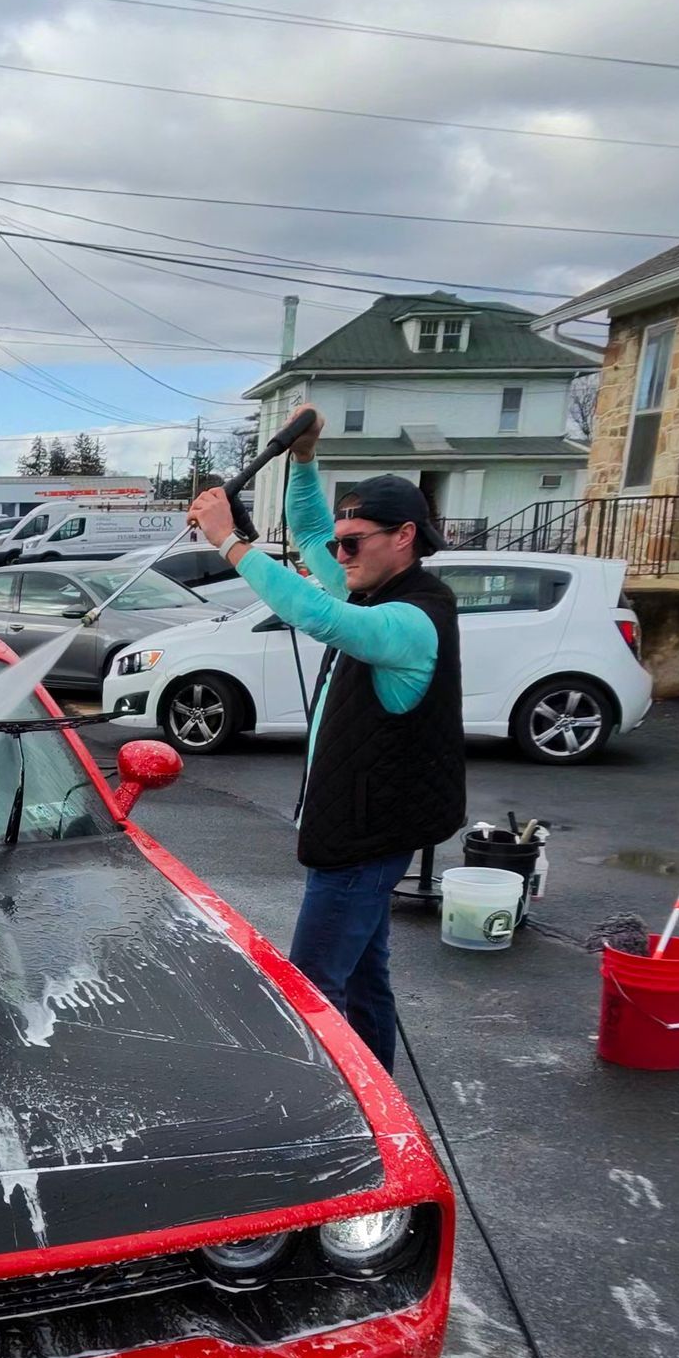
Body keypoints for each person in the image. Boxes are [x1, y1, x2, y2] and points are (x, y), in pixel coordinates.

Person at [186, 413, 465, 1070]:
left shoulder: (412, 618)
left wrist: (228, 541)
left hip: (365, 838)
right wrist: (305, 460)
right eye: (341, 546)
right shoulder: (371, 584)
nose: (338, 555)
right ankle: (380, 1110)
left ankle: (328, 1124)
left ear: (404, 537)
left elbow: (314, 613)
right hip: (362, 825)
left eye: (353, 544)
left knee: (310, 986)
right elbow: (310, 530)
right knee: (366, 977)